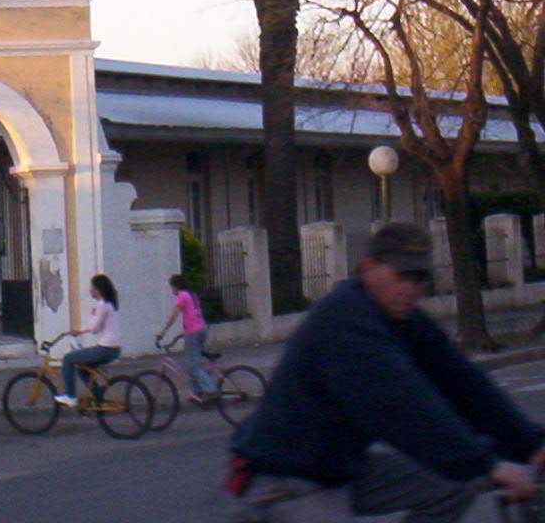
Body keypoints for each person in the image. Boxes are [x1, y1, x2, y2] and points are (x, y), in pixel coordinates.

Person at [226, 221, 545, 522]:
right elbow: (404, 407)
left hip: (339, 467)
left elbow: (465, 385)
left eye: (419, 277)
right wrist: (487, 463)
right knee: (464, 468)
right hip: (286, 478)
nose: (410, 287)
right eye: (401, 274)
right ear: (368, 269)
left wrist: (530, 443)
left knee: (453, 485)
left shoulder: (405, 322)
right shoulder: (345, 323)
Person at [54, 273, 121, 407]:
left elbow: (95, 328)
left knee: (68, 359)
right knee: (82, 368)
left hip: (105, 349)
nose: (90, 291)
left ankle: (70, 396)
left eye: (92, 288)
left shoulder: (102, 305)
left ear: (98, 289)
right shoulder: (110, 303)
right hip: (112, 349)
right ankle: (98, 397)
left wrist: (78, 331)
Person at [156, 273, 217, 404]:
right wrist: (182, 332)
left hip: (194, 332)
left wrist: (162, 332)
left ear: (175, 286)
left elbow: (174, 315)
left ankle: (211, 390)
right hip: (201, 329)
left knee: (192, 366)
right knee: (193, 363)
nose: (171, 290)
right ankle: (197, 392)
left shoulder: (182, 296)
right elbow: (193, 315)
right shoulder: (192, 295)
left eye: (171, 287)